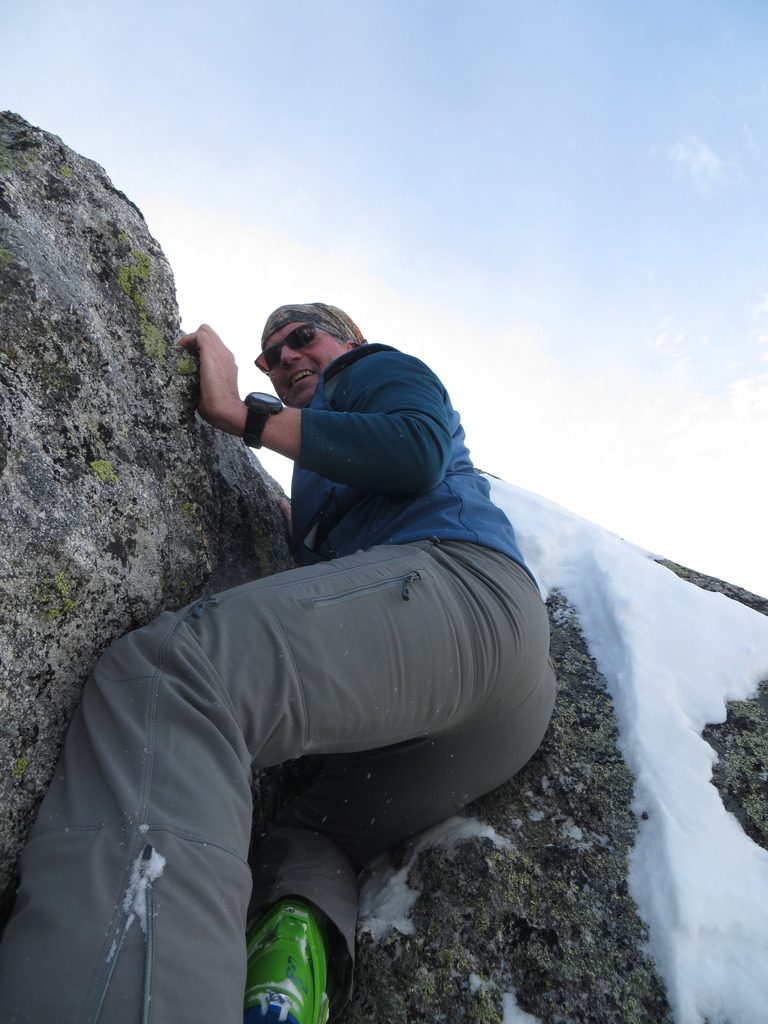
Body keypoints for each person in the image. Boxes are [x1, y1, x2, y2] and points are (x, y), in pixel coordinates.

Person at [0, 303, 556, 1023]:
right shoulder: (325, 477)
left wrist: (241, 411)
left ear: (347, 339)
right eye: (268, 356)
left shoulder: (372, 369)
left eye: (303, 338)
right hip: (480, 717)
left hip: (464, 595)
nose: (286, 357)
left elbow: (417, 449)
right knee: (306, 835)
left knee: (169, 677)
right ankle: (287, 967)